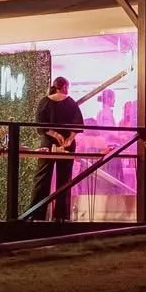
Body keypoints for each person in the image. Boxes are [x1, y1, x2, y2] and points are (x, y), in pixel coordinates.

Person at [31, 76, 84, 221]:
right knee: (65, 179)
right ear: (65, 87)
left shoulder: (44, 101)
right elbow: (78, 124)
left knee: (42, 177)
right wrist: (69, 138)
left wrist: (54, 134)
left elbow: (41, 125)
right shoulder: (70, 102)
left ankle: (36, 214)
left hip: (48, 143)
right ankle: (62, 216)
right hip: (66, 144)